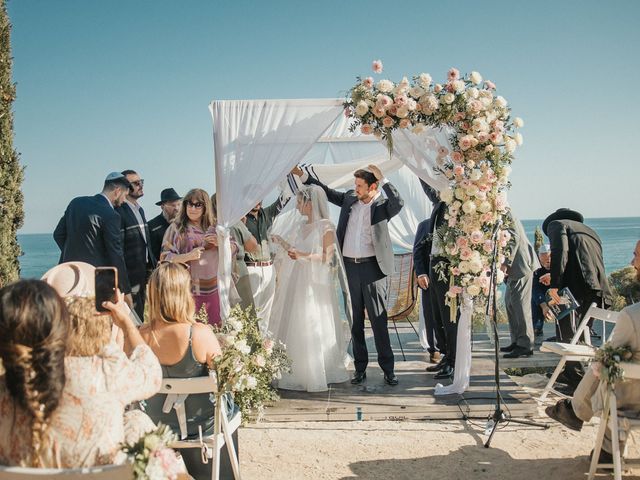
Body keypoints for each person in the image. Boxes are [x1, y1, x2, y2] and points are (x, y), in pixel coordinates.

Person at [0, 273, 161, 468]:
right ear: (58, 326)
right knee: (138, 421)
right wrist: (126, 324)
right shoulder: (101, 373)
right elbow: (151, 374)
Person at [293, 164, 403, 386]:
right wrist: (302, 175)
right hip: (349, 268)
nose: (355, 188)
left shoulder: (382, 206)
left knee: (378, 320)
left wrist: (385, 178)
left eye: (360, 185)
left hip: (373, 269)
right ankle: (359, 367)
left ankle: (388, 369)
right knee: (355, 321)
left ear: (373, 186)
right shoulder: (350, 200)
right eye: (355, 184)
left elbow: (398, 203)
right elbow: (325, 191)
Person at [545, 240, 640, 464]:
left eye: (636, 255)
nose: (632, 262)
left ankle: (576, 410)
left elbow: (609, 358)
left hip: (633, 403)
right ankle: (604, 449)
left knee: (607, 366)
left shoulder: (633, 316)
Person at [140, 262, 235, 479]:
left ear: (152, 295)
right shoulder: (199, 334)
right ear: (184, 294)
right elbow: (226, 379)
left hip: (156, 426)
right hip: (201, 428)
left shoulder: (139, 336)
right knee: (230, 408)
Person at [268, 186, 351, 392]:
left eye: (299, 202)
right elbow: (296, 251)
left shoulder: (326, 227)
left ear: (310, 203)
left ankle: (315, 370)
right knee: (295, 320)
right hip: (297, 279)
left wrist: (302, 256)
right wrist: (282, 243)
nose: (296, 206)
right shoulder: (300, 226)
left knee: (312, 319)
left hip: (315, 283)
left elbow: (327, 257)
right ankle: (294, 367)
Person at [542, 208, 614, 389]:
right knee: (581, 333)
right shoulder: (590, 232)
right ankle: (572, 374)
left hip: (575, 289)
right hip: (596, 288)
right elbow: (586, 261)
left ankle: (576, 379)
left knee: (567, 330)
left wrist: (554, 286)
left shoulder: (556, 225)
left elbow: (561, 252)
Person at [53, 172, 132, 305]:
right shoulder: (111, 215)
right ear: (117, 191)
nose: (124, 201)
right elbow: (116, 254)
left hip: (69, 275)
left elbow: (58, 234)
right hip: (95, 282)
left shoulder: (76, 203)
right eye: (125, 196)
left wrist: (74, 254)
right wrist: (126, 290)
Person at [161, 188, 236, 326]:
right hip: (189, 290)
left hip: (216, 289)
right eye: (189, 204)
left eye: (197, 204)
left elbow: (234, 247)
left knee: (217, 331)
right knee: (194, 331)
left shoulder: (216, 226)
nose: (192, 208)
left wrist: (221, 243)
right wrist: (188, 256)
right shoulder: (176, 228)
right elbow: (165, 257)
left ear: (205, 206)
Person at [420, 180, 457, 380]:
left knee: (449, 319)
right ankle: (445, 356)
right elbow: (428, 187)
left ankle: (453, 361)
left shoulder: (455, 205)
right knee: (437, 318)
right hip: (434, 266)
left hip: (448, 268)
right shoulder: (440, 203)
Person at [244, 192, 289, 332]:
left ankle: (262, 349)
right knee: (251, 312)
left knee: (265, 312)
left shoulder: (266, 213)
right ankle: (249, 348)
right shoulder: (240, 218)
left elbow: (283, 200)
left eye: (260, 198)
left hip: (269, 268)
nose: (258, 201)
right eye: (253, 197)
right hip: (250, 268)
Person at [116, 169, 156, 319]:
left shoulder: (140, 210)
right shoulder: (119, 211)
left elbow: (146, 242)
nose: (140, 185)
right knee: (132, 316)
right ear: (125, 187)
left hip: (143, 272)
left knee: (141, 314)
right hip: (129, 276)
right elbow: (118, 248)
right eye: (136, 183)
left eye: (141, 182)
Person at [500, 213, 539, 358]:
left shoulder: (507, 213)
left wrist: (505, 263)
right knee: (510, 304)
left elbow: (513, 238)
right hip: (514, 268)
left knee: (520, 306)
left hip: (520, 264)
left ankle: (525, 345)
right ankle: (516, 341)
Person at [211, 193, 258, 312]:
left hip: (213, 274)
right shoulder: (234, 222)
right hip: (237, 270)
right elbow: (253, 246)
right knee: (246, 312)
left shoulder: (207, 224)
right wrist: (243, 226)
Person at [413, 203, 441, 365]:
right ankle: (434, 349)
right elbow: (417, 252)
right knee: (430, 315)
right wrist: (421, 273)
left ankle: (451, 350)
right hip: (429, 279)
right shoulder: (424, 225)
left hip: (452, 280)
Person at [148, 188, 182, 263]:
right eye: (172, 205)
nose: (177, 208)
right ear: (162, 206)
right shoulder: (152, 226)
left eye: (179, 204)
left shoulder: (185, 224)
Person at [531, 244, 551, 336]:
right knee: (535, 299)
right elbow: (535, 289)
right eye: (542, 262)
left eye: (547, 262)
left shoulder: (560, 263)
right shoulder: (536, 268)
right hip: (542, 292)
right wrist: (544, 306)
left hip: (558, 290)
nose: (545, 265)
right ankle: (537, 327)